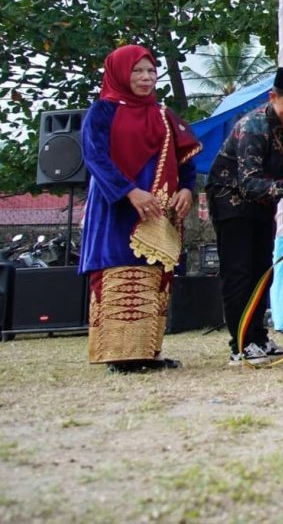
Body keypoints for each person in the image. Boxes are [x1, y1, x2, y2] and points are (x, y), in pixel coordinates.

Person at [79, 45, 201, 373]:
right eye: (137, 71)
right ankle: (119, 356)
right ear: (120, 73)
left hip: (158, 212)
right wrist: (129, 192)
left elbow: (186, 159)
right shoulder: (102, 111)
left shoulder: (163, 114)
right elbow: (95, 157)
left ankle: (148, 352)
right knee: (118, 272)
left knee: (154, 276)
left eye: (151, 71)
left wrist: (187, 189)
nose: (146, 78)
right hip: (116, 211)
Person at [207, 67, 283, 365]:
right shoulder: (253, 127)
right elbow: (248, 183)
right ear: (272, 97)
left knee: (262, 269)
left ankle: (259, 338)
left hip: (263, 202)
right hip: (231, 200)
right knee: (239, 272)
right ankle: (240, 344)